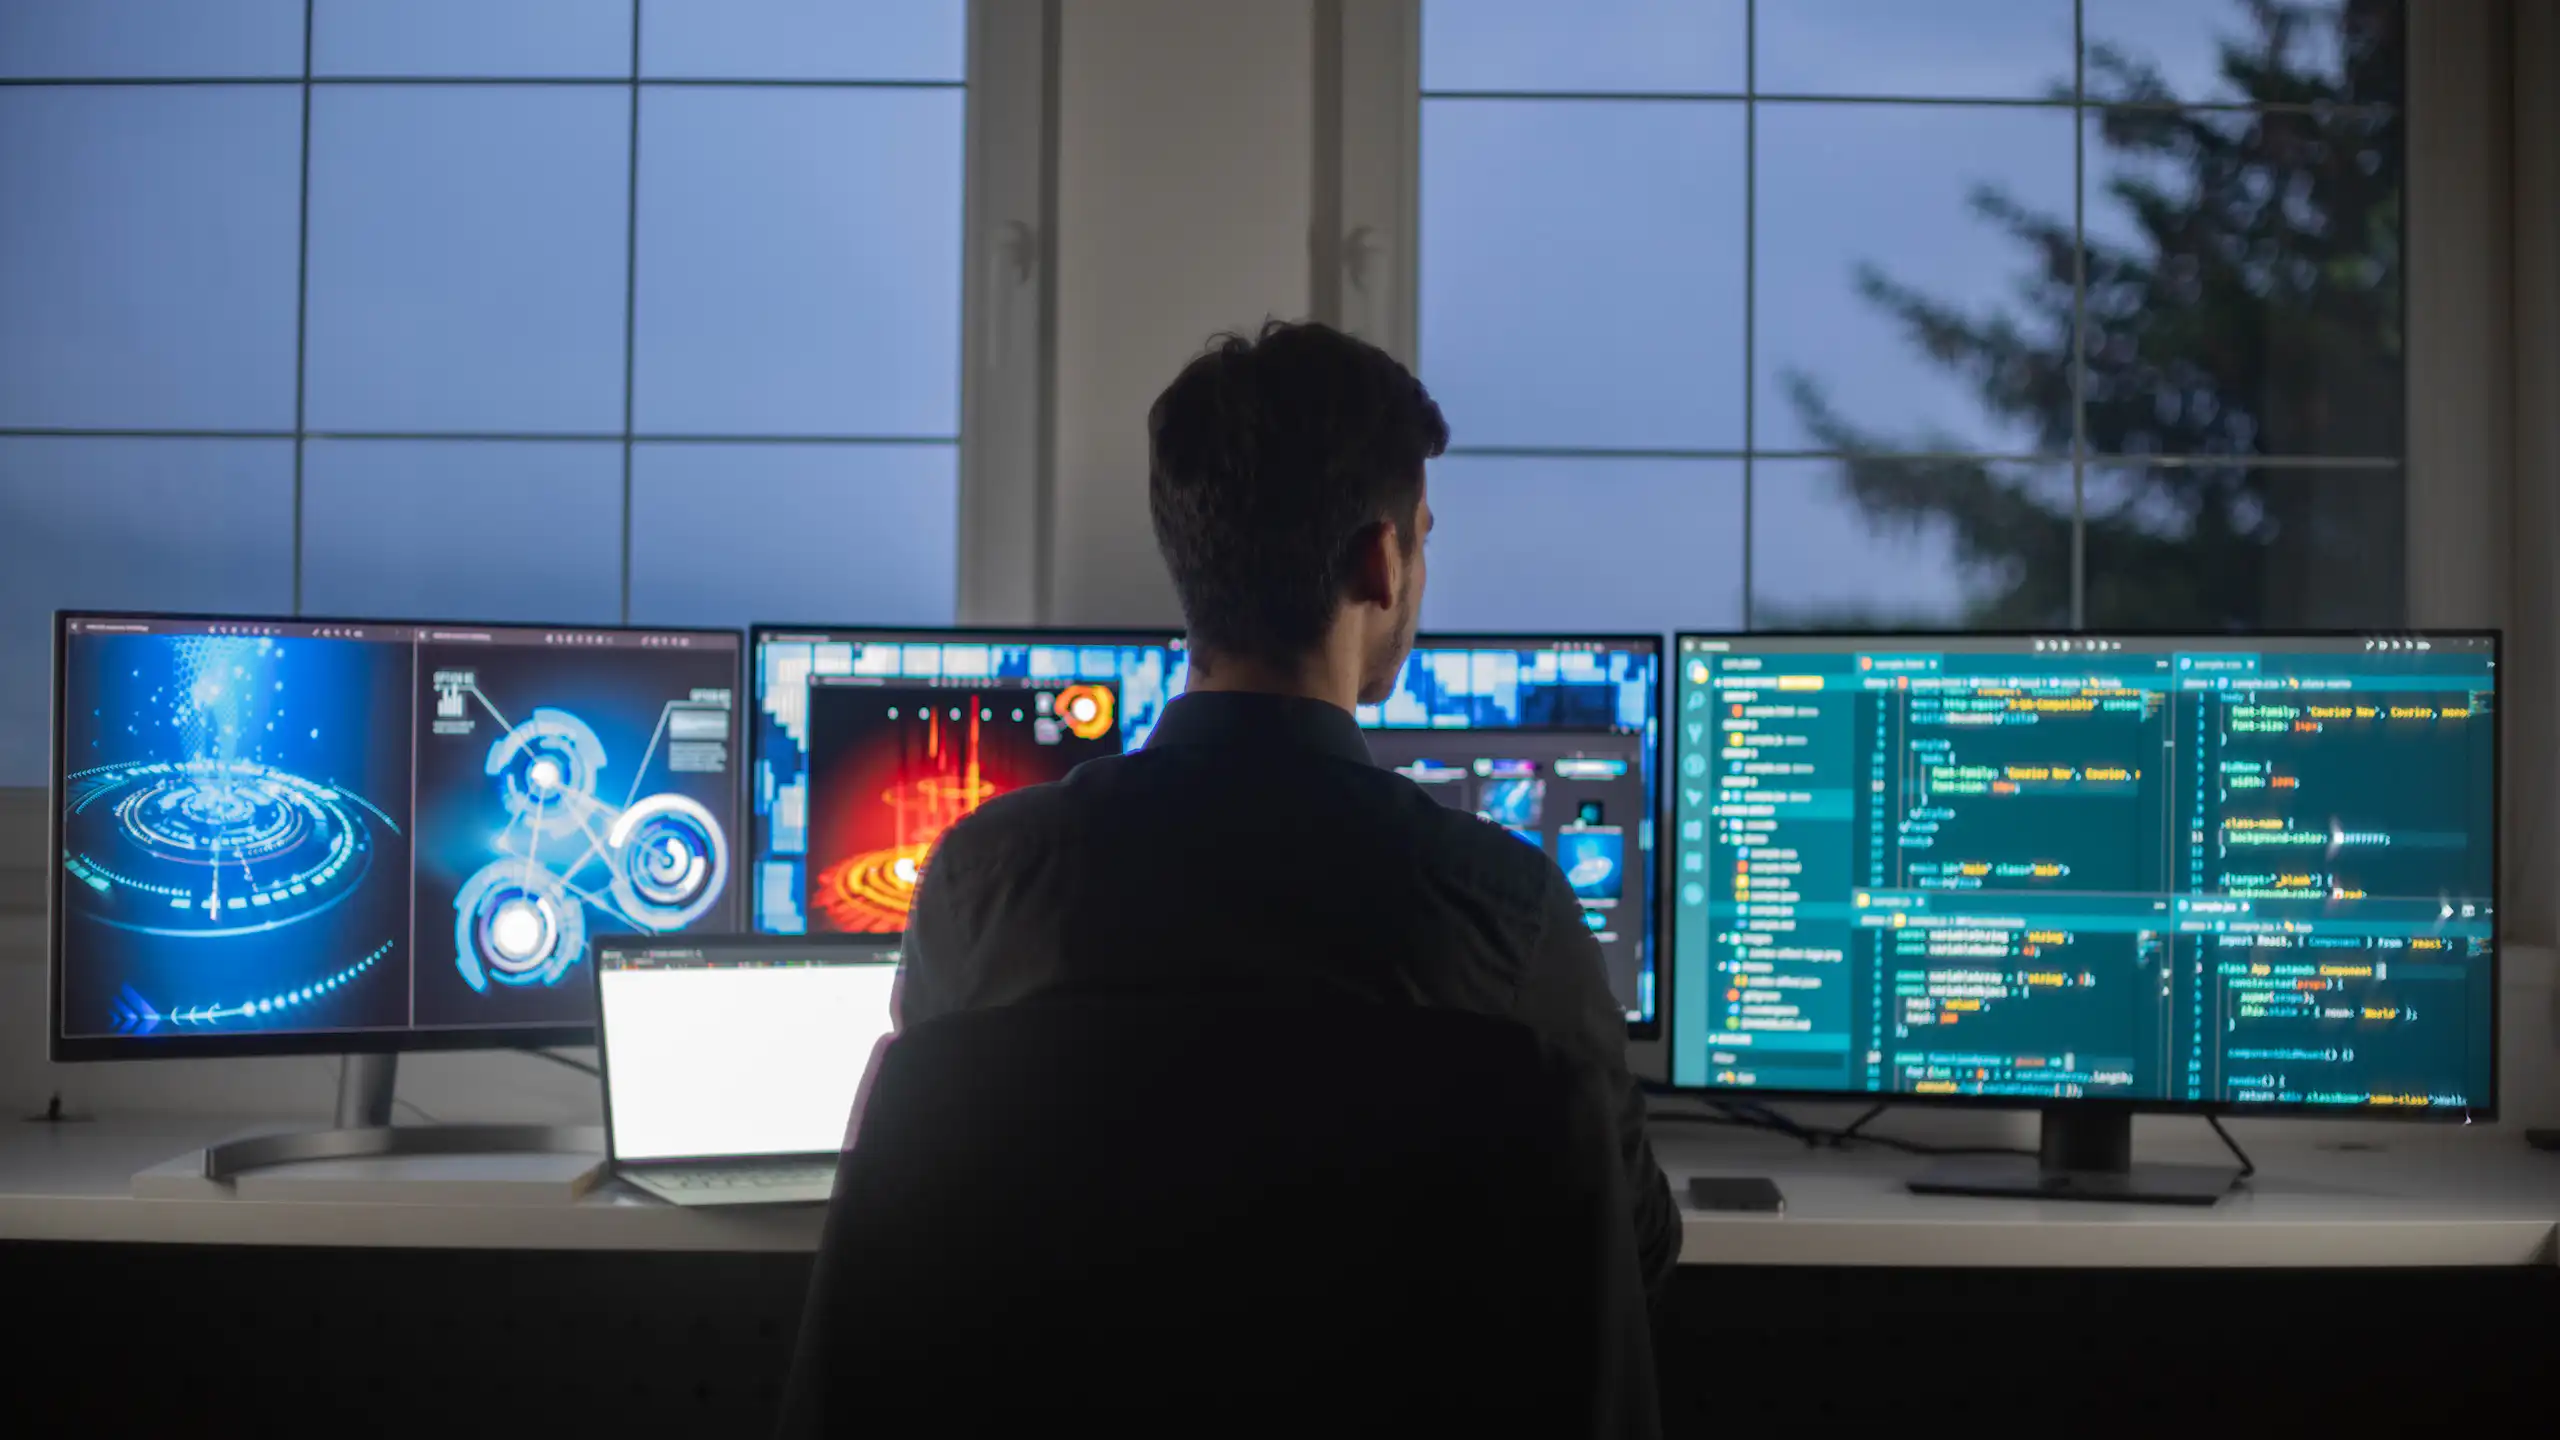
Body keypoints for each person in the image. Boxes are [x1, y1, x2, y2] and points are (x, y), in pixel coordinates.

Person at [894, 319, 1680, 1295]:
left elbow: (916, 1227)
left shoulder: (981, 884)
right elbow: (1635, 1248)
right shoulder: (1508, 913)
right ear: (1380, 564)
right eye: (1422, 542)